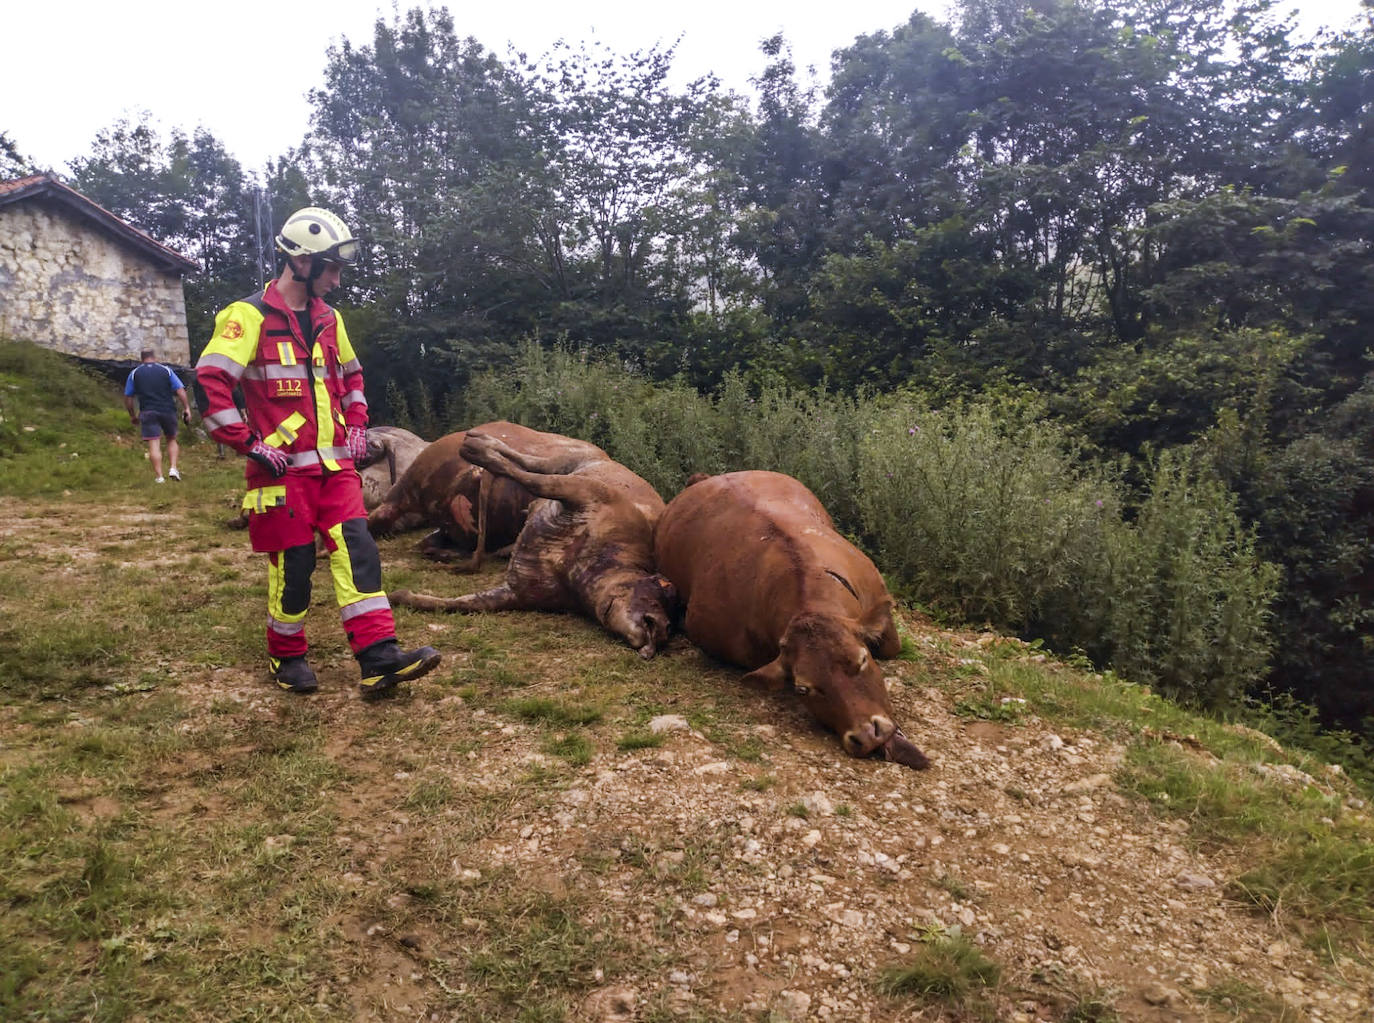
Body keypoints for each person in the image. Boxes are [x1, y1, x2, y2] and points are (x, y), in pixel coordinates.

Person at [195, 206, 441, 698]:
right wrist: (249, 444)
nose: (338, 278)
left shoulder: (331, 320)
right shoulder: (247, 317)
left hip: (336, 471)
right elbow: (209, 385)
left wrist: (357, 424)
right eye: (331, 267)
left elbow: (350, 377)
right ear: (300, 263)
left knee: (359, 553)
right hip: (280, 473)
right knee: (295, 567)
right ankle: (286, 654)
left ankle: (378, 657)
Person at [123, 349, 193, 483]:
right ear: (154, 357)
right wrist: (187, 408)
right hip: (168, 410)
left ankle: (159, 477)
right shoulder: (166, 370)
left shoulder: (134, 373)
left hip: (147, 412)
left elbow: (128, 397)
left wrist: (132, 415)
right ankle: (173, 468)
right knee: (171, 439)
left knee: (154, 444)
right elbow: (180, 390)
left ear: (141, 358)